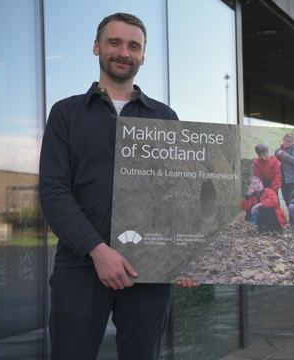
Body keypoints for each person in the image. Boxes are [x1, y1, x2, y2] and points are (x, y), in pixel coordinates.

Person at [38, 13, 198, 360]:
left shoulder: (165, 117)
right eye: (115, 42)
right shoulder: (65, 114)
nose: (123, 52)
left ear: (142, 56)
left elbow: (178, 193)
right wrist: (98, 250)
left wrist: (186, 255)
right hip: (80, 264)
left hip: (149, 270)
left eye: (133, 46)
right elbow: (53, 192)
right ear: (97, 47)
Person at [274, 132, 294, 215]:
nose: (287, 142)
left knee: (291, 199)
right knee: (286, 199)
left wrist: (283, 154)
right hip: (280, 178)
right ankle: (291, 219)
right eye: (285, 140)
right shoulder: (277, 149)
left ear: (292, 142)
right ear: (283, 139)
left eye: (289, 141)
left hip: (291, 178)